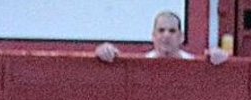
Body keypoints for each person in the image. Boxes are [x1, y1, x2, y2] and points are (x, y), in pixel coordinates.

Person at [95, 11, 228, 65]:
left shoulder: (193, 63)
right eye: (161, 30)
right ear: (153, 36)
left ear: (181, 37)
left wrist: (222, 59)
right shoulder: (141, 64)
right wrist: (103, 51)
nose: (166, 35)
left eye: (172, 30)